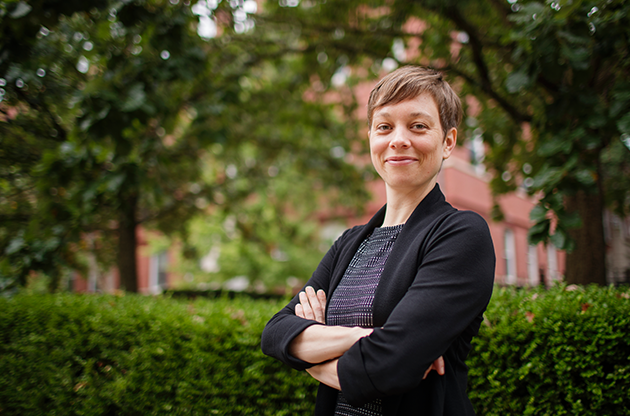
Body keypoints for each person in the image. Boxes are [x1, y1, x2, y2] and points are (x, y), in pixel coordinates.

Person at [261, 66, 495, 416]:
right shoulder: (349, 243)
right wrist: (361, 338)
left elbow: (391, 364)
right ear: (371, 138)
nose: (398, 139)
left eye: (418, 126)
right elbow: (276, 333)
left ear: (448, 142)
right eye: (384, 126)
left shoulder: (461, 234)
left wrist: (312, 356)